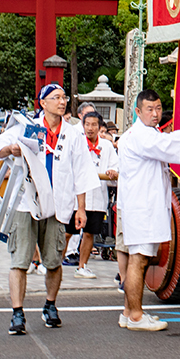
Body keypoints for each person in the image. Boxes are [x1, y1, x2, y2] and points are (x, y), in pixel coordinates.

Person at [0, 83, 96, 335]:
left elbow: (81, 173)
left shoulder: (73, 134)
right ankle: (17, 313)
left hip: (58, 205)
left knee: (53, 260)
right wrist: (11, 149)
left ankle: (50, 304)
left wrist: (81, 208)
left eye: (64, 97)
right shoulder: (26, 126)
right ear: (43, 103)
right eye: (56, 98)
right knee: (20, 260)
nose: (62, 102)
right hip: (26, 202)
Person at [116, 89, 180, 331]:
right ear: (138, 112)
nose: (155, 114)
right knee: (139, 260)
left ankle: (128, 312)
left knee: (139, 259)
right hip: (142, 207)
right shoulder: (143, 136)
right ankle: (135, 316)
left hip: (144, 205)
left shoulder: (146, 134)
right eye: (149, 110)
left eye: (158, 108)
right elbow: (175, 140)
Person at [72, 110, 118, 278]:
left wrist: (113, 171)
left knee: (90, 232)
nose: (90, 128)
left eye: (93, 125)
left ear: (99, 127)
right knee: (69, 231)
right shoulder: (76, 143)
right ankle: (53, 264)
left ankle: (82, 266)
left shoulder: (106, 146)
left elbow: (115, 166)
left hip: (98, 196)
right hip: (77, 197)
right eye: (87, 124)